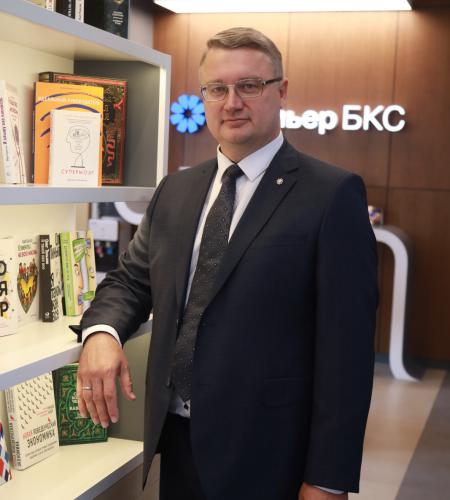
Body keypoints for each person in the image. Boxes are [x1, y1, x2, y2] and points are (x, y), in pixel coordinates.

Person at [76, 27, 378, 500]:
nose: (231, 102)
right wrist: (101, 333)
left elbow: (348, 353)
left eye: (249, 86)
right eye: (217, 89)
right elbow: (131, 281)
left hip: (270, 453)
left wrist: (327, 479)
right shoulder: (176, 190)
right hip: (177, 441)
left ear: (281, 91)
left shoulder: (331, 194)